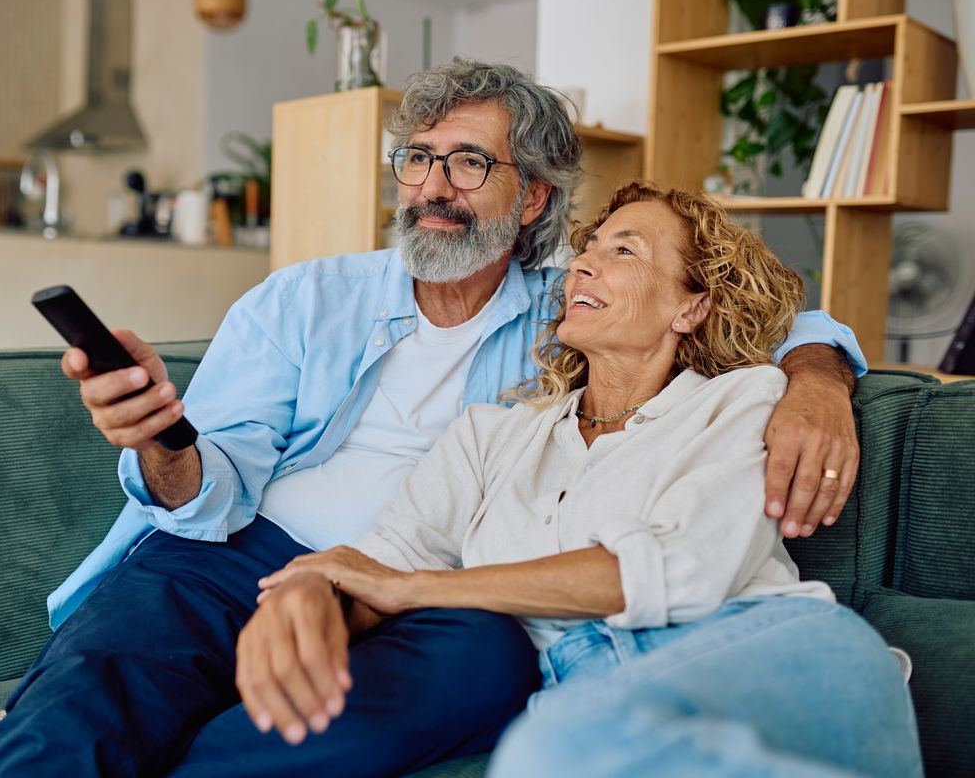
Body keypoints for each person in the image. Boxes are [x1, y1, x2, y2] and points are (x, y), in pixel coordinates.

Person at [0, 60, 866, 778]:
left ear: (533, 197)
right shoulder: (304, 299)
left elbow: (761, 309)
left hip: (424, 592)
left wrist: (819, 380)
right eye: (418, 158)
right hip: (237, 550)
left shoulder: (577, 304)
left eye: (469, 163)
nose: (434, 185)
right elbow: (209, 491)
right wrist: (160, 438)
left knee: (487, 658)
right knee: (106, 678)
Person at [253, 183, 922, 777]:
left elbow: (672, 569)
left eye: (624, 250)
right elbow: (385, 558)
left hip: (773, 649)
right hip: (588, 685)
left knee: (550, 754)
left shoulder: (741, 400)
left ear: (690, 308)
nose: (582, 263)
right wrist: (313, 593)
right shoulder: (491, 434)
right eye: (588, 248)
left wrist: (413, 589)